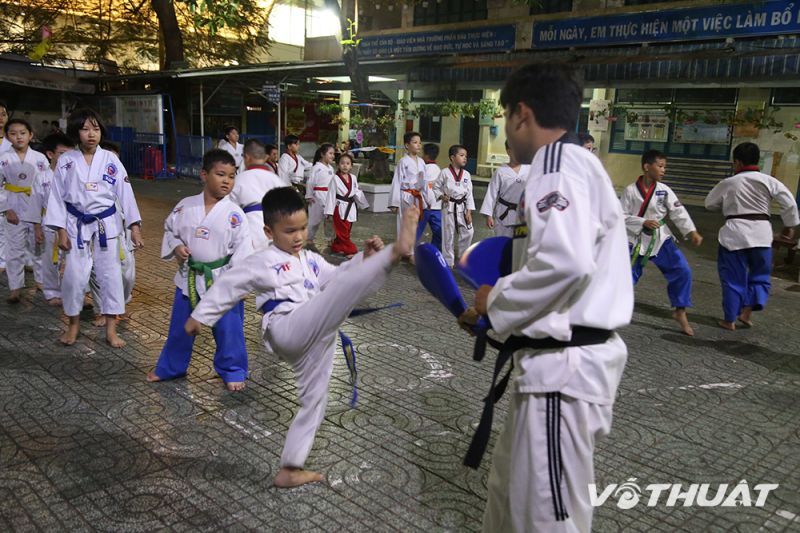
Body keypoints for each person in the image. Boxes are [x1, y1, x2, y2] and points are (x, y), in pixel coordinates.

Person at [458, 64, 633, 533]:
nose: (505, 129)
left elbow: (565, 262)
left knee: (545, 517)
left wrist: (495, 300)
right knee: (509, 500)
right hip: (549, 367)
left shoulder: (557, 164)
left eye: (503, 116)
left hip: (564, 371)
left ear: (521, 113)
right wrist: (494, 314)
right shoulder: (575, 164)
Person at [185, 186, 419, 487]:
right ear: (269, 232)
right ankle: (397, 250)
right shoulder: (263, 260)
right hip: (287, 326)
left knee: (315, 400)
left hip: (315, 336)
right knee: (335, 298)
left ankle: (290, 468)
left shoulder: (309, 259)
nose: (298, 237)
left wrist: (363, 258)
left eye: (304, 228)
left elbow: (337, 277)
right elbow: (230, 283)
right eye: (289, 231)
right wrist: (200, 315)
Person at [146, 149, 253, 391]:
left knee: (229, 329)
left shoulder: (235, 214)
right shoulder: (185, 206)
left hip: (223, 280)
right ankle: (171, 367)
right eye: (220, 174)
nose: (227, 180)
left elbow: (243, 251)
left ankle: (233, 369)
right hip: (189, 278)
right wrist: (177, 247)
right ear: (204, 174)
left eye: (232, 176)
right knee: (180, 327)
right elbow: (170, 231)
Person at [44, 108, 144, 347]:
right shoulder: (67, 161)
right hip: (75, 225)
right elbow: (57, 197)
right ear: (76, 132)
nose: (91, 134)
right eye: (86, 129)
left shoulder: (111, 160)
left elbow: (125, 193)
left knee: (110, 277)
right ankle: (73, 327)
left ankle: (111, 330)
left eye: (96, 129)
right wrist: (60, 231)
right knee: (74, 278)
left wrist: (135, 227)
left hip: (106, 225)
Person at [705, 142, 799, 331]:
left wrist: (728, 206)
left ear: (737, 162)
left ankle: (729, 319)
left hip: (735, 234)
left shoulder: (729, 182)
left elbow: (709, 204)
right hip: (762, 235)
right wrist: (789, 226)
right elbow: (789, 204)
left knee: (733, 278)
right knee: (761, 276)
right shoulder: (769, 181)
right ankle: (747, 312)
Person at [620, 150, 703, 336]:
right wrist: (642, 222)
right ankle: (612, 310)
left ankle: (680, 311)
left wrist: (691, 231)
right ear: (646, 166)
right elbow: (620, 216)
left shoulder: (665, 191)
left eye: (665, 166)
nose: (663, 170)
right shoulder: (630, 191)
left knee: (683, 271)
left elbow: (678, 212)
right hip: (635, 240)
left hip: (660, 238)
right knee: (625, 279)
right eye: (660, 166)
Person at [0, 119, 50, 303]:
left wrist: (45, 208)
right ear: (7, 136)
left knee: (38, 245)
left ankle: (41, 281)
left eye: (22, 132)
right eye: (13, 133)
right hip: (13, 205)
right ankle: (15, 287)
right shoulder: (3, 158)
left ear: (31, 135)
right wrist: (6, 208)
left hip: (35, 206)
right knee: (14, 248)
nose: (18, 137)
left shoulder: (40, 158)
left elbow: (47, 184)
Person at [32, 132, 73, 306]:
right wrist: (37, 227)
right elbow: (34, 204)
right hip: (50, 226)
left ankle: (75, 292)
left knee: (75, 261)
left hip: (73, 224)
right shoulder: (42, 177)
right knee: (51, 260)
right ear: (50, 154)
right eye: (62, 153)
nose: (67, 158)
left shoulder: (73, 175)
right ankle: (52, 292)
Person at [228, 138, 284, 251]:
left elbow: (229, 209)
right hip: (276, 226)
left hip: (250, 227)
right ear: (265, 157)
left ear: (247, 158)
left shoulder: (238, 180)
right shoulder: (277, 180)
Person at [434, 144, 475, 267]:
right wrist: (442, 196)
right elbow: (435, 187)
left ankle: (462, 256)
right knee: (448, 234)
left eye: (466, 156)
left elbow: (469, 194)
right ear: (452, 157)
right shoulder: (444, 173)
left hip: (462, 207)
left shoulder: (467, 174)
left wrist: (469, 211)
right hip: (449, 207)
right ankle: (448, 260)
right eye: (461, 155)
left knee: (469, 232)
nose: (465, 158)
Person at [480, 140, 530, 238]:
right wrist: (489, 215)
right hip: (504, 214)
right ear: (508, 151)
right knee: (503, 243)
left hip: (523, 215)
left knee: (519, 244)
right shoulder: (500, 171)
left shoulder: (529, 169)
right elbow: (492, 193)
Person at [389, 132, 427, 257]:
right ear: (407, 145)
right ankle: (403, 250)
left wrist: (427, 199)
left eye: (419, 142)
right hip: (405, 195)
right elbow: (397, 181)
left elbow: (424, 182)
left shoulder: (421, 162)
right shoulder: (403, 162)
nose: (418, 145)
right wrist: (394, 202)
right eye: (415, 142)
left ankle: (411, 249)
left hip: (417, 196)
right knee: (403, 222)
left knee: (415, 224)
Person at [325, 153, 368, 257]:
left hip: (350, 207)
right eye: (342, 163)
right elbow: (331, 195)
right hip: (339, 207)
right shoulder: (335, 178)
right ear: (338, 165)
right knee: (343, 232)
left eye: (348, 163)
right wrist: (328, 212)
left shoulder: (353, 177)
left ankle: (337, 247)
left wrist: (363, 203)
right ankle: (351, 250)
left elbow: (356, 191)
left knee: (347, 230)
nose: (345, 165)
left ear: (351, 165)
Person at [305, 143, 335, 249]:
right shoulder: (316, 168)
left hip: (329, 196)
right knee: (314, 220)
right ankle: (309, 238)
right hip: (317, 196)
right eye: (330, 153)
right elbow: (310, 182)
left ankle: (329, 239)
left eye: (333, 154)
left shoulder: (331, 168)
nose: (332, 156)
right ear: (322, 154)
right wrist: (309, 196)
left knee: (329, 219)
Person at [416, 143, 443, 251]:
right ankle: (434, 250)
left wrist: (426, 202)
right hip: (437, 207)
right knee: (438, 232)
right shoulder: (439, 170)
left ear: (426, 155)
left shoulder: (423, 169)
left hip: (425, 207)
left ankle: (409, 251)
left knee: (416, 231)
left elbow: (422, 187)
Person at [0, 101, 11, 275]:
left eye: (3, 113)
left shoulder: (14, 140)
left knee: (5, 228)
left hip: (8, 191)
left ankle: (3, 261)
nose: (0, 118)